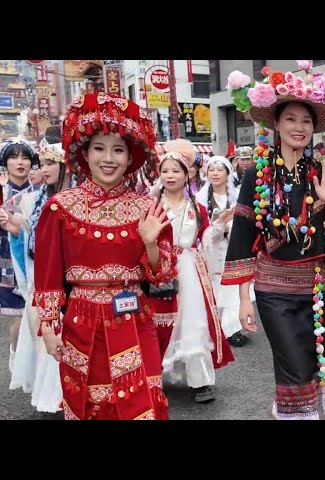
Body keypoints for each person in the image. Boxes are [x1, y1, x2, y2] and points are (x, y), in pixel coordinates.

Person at [223, 63, 325, 420]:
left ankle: (291, 410)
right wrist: (243, 300)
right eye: (291, 120)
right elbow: (242, 237)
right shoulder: (258, 173)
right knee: (292, 364)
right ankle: (297, 415)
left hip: (316, 286)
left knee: (313, 360)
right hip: (272, 288)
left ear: (315, 128)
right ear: (276, 125)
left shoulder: (323, 170)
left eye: (306, 121)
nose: (299, 128)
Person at [35, 92, 178, 420]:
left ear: (131, 158)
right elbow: (47, 275)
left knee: (143, 402)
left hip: (135, 318)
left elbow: (162, 274)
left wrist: (151, 243)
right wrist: (47, 325)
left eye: (118, 150)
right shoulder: (60, 208)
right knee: (89, 404)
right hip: (81, 321)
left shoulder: (148, 210)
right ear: (85, 154)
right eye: (99, 148)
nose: (108, 158)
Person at [153, 151, 234, 403]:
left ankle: (200, 382)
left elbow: (205, 238)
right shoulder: (151, 205)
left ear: (187, 174)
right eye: (165, 170)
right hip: (158, 267)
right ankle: (153, 377)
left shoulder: (196, 207)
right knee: (158, 321)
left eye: (176, 170)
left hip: (189, 267)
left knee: (193, 322)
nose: (170, 176)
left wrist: (219, 225)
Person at [4, 142, 68, 412]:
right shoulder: (32, 201)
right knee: (46, 342)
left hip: (74, 284)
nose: (46, 169)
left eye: (52, 163)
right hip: (42, 281)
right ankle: (50, 400)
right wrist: (14, 230)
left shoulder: (81, 198)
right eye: (43, 164)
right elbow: (28, 245)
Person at [196, 155, 251, 348]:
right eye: (212, 170)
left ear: (228, 173)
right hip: (211, 248)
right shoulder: (200, 199)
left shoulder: (236, 196)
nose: (215, 173)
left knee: (233, 287)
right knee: (215, 287)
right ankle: (216, 327)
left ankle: (233, 329)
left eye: (220, 170)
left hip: (232, 247)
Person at [0, 138, 40, 372]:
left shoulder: (40, 191)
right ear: (6, 162)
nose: (20, 162)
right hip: (6, 256)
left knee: (34, 310)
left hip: (33, 256)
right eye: (14, 157)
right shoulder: (1, 191)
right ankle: (16, 360)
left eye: (25, 157)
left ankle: (36, 361)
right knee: (16, 313)